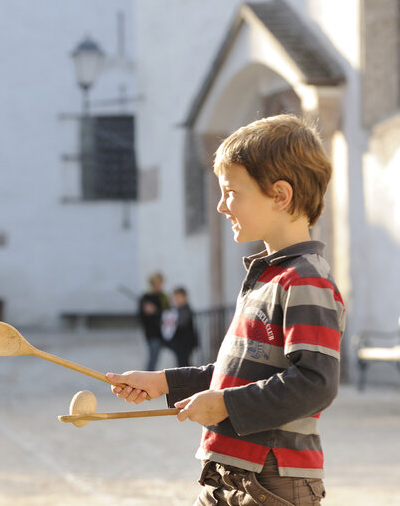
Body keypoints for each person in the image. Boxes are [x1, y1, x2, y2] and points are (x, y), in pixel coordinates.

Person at [107, 114, 345, 505]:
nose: (220, 206)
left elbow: (316, 383)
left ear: (280, 195)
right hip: (229, 471)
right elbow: (235, 375)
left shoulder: (304, 280)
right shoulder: (268, 275)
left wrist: (223, 405)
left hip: (272, 478)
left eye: (231, 192)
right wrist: (162, 382)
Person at [138, 271, 170, 370]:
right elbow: (140, 317)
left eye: (160, 283)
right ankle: (146, 380)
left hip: (165, 332)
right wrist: (147, 312)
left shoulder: (164, 297)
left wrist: (156, 311)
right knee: (153, 358)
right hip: (152, 333)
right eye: (157, 283)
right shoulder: (145, 297)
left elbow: (168, 314)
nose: (159, 285)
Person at [163, 286, 198, 367]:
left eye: (179, 297)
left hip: (186, 342)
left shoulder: (186, 309)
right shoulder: (173, 310)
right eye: (175, 297)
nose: (176, 300)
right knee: (181, 363)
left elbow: (182, 323)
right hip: (179, 343)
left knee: (184, 364)